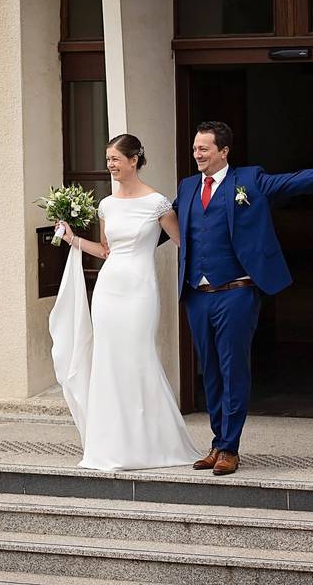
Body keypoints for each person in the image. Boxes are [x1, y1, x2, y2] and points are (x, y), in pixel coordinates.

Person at [176, 121, 313, 476]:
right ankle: (217, 440)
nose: (197, 154)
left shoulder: (250, 180)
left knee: (233, 368)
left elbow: (295, 182)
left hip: (236, 291)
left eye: (204, 148)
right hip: (197, 293)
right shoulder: (188, 186)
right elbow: (164, 221)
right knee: (210, 372)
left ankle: (229, 448)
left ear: (224, 151)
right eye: (195, 148)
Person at [50, 134, 199, 471]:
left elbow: (184, 243)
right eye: (107, 160)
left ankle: (151, 443)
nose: (110, 165)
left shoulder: (158, 203)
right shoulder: (107, 205)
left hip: (140, 290)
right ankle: (111, 444)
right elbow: (106, 251)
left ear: (134, 160)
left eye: (115, 159)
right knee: (108, 361)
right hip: (109, 289)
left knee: (139, 357)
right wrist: (73, 239)